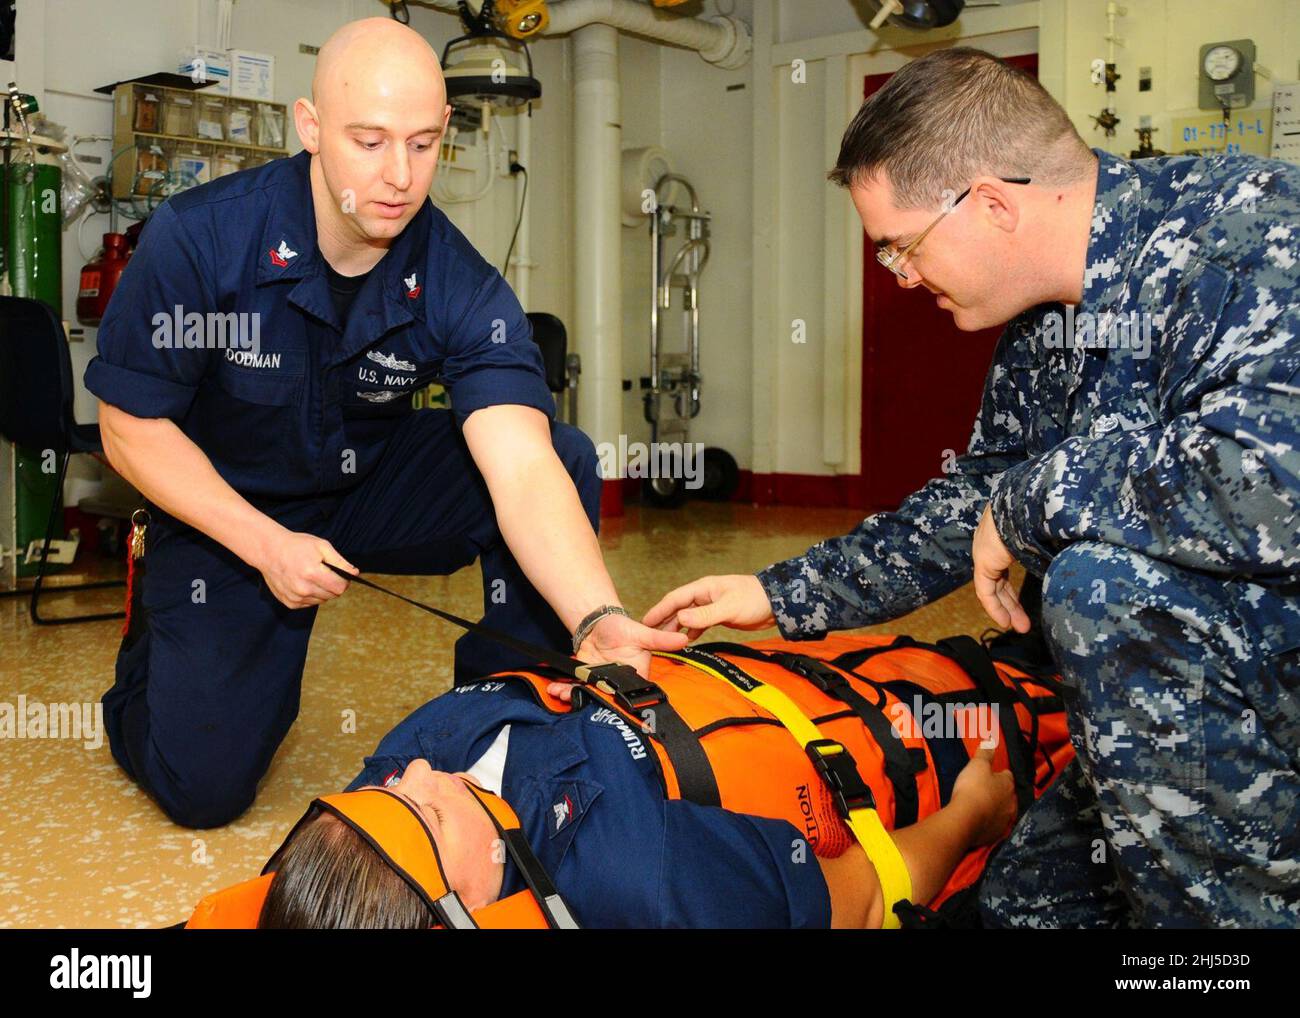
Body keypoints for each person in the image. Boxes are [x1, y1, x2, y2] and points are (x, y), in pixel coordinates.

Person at [645, 47, 1300, 928]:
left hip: (1256, 665)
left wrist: (1032, 502)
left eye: (901, 248)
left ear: (992, 204)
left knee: (1094, 587)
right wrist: (776, 592)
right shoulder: (1043, 322)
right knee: (1026, 908)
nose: (902, 278)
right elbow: (975, 501)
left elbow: (1272, 479)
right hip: (1166, 682)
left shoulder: (1250, 228)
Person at [84, 18, 684, 830]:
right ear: (310, 127)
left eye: (424, 144)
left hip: (361, 484)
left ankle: (508, 706)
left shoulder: (455, 279)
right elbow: (128, 428)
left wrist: (597, 615)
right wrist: (266, 546)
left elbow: (520, 463)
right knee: (204, 791)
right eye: (369, 142)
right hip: (229, 511)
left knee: (565, 452)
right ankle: (144, 668)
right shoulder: (200, 239)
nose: (400, 176)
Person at [253, 665, 1017, 929]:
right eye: (421, 810)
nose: (413, 771)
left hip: (743, 671)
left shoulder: (366, 832)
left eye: (382, 791)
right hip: (909, 727)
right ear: (471, 910)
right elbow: (861, 898)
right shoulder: (650, 882)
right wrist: (971, 816)